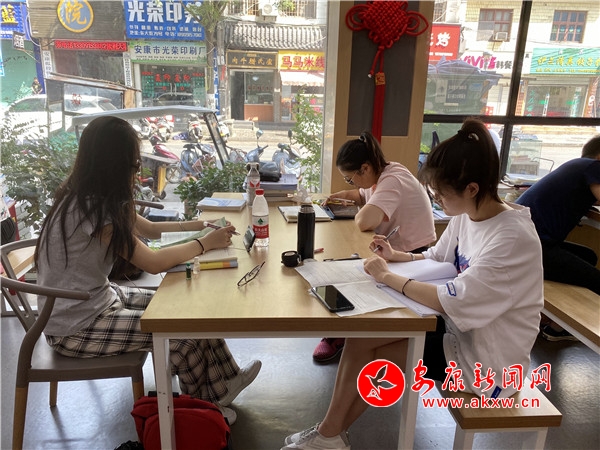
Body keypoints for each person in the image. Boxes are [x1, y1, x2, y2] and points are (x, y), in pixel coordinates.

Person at [282, 119, 543, 450]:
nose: (436, 200)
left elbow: (454, 300)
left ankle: (328, 434)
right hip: (462, 332)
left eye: (440, 194)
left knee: (376, 355)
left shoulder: (511, 238)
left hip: (488, 362)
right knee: (362, 338)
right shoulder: (469, 215)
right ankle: (330, 434)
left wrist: (388, 276)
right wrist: (397, 255)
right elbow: (437, 257)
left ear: (472, 189)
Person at [34, 116, 261, 424]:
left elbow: (151, 230)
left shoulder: (92, 196)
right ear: (115, 166)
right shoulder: (94, 212)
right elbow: (153, 263)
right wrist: (204, 243)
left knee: (191, 308)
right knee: (182, 340)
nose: (136, 172)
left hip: (96, 300)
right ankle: (204, 410)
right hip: (76, 326)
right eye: (133, 165)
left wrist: (201, 225)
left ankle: (225, 382)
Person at [313, 131, 436, 363]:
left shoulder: (393, 179)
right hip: (391, 246)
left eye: (350, 178)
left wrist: (358, 208)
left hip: (411, 254)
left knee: (350, 271)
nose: (350, 183)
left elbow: (364, 221)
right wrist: (339, 196)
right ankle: (341, 330)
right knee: (344, 263)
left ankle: (343, 334)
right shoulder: (380, 174)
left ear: (365, 168)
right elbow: (360, 195)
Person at [516, 135, 600, 341]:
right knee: (597, 281)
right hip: (534, 247)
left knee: (588, 256)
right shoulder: (593, 167)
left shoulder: (576, 166)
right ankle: (563, 326)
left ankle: (557, 326)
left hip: (523, 242)